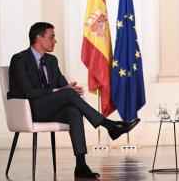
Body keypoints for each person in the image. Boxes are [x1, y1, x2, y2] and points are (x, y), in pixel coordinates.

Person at [8, 22, 140, 179]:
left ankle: (81, 165)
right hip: (29, 110)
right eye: (52, 37)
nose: (55, 41)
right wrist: (63, 91)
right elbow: (29, 91)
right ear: (39, 38)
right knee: (69, 95)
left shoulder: (51, 61)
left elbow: (63, 87)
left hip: (49, 108)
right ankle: (109, 125)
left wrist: (69, 89)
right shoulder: (19, 59)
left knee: (74, 110)